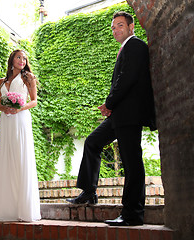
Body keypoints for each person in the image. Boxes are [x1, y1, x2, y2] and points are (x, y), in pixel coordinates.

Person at [66, 11, 156, 226]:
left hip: (129, 114)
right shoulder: (125, 48)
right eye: (114, 27)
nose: (116, 29)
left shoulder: (135, 46)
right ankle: (89, 192)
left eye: (120, 25)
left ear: (131, 27)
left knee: (131, 162)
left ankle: (133, 213)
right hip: (120, 113)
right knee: (92, 142)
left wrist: (109, 103)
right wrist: (112, 106)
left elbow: (127, 79)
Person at [0, 50, 41, 222]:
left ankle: (23, 209)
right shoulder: (2, 81)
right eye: (18, 57)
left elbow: (34, 100)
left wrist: (19, 108)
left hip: (21, 120)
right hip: (6, 121)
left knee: (20, 157)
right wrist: (6, 109)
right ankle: (3, 209)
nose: (22, 60)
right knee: (4, 157)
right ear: (11, 60)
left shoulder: (28, 78)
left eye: (24, 58)